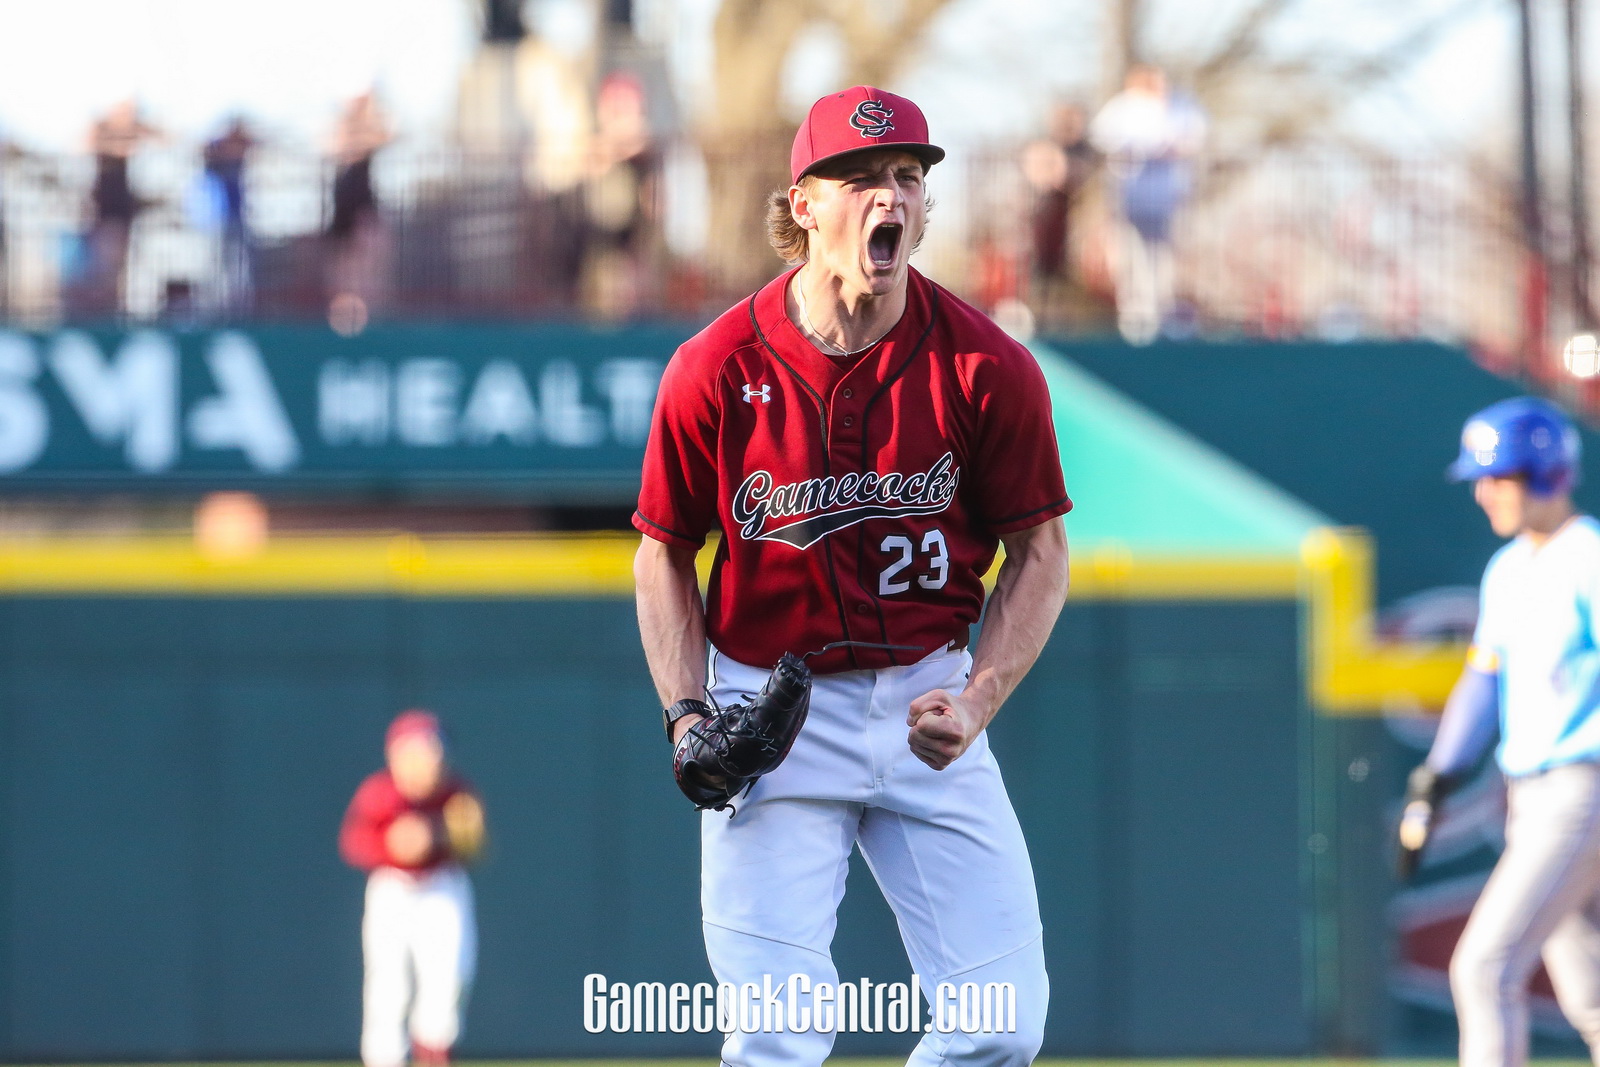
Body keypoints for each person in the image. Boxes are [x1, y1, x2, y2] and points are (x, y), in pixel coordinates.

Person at [633, 85, 1072, 1067]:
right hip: (769, 707)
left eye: (908, 178)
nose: (891, 198)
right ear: (803, 205)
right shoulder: (714, 367)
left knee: (1000, 1022)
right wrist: (689, 714)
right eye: (861, 178)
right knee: (776, 1036)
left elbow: (1040, 550)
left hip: (927, 693)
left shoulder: (984, 365)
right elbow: (662, 550)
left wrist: (979, 694)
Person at [1401, 396, 1597, 1067]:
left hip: (1582, 792)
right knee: (1593, 996)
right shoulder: (1509, 568)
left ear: (1544, 475)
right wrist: (1435, 779)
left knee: (1485, 968)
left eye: (1498, 476)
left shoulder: (1587, 557)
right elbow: (1483, 682)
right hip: (1534, 796)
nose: (1483, 492)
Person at [340, 710, 485, 1067]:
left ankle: (434, 1057)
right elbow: (354, 843)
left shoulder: (456, 792)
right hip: (393, 888)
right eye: (419, 750)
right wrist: (392, 844)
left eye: (434, 750)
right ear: (396, 754)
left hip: (441, 885)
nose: (430, 758)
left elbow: (474, 847)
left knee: (449, 978)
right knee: (388, 986)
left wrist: (438, 836)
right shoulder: (379, 792)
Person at [1088, 65, 1205, 344]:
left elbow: (1196, 136)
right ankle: (1135, 315)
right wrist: (1133, 149)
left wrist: (1173, 147)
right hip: (1131, 193)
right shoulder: (1123, 106)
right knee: (1131, 253)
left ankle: (1163, 313)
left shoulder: (1181, 105)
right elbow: (1102, 137)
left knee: (1163, 255)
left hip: (1168, 195)